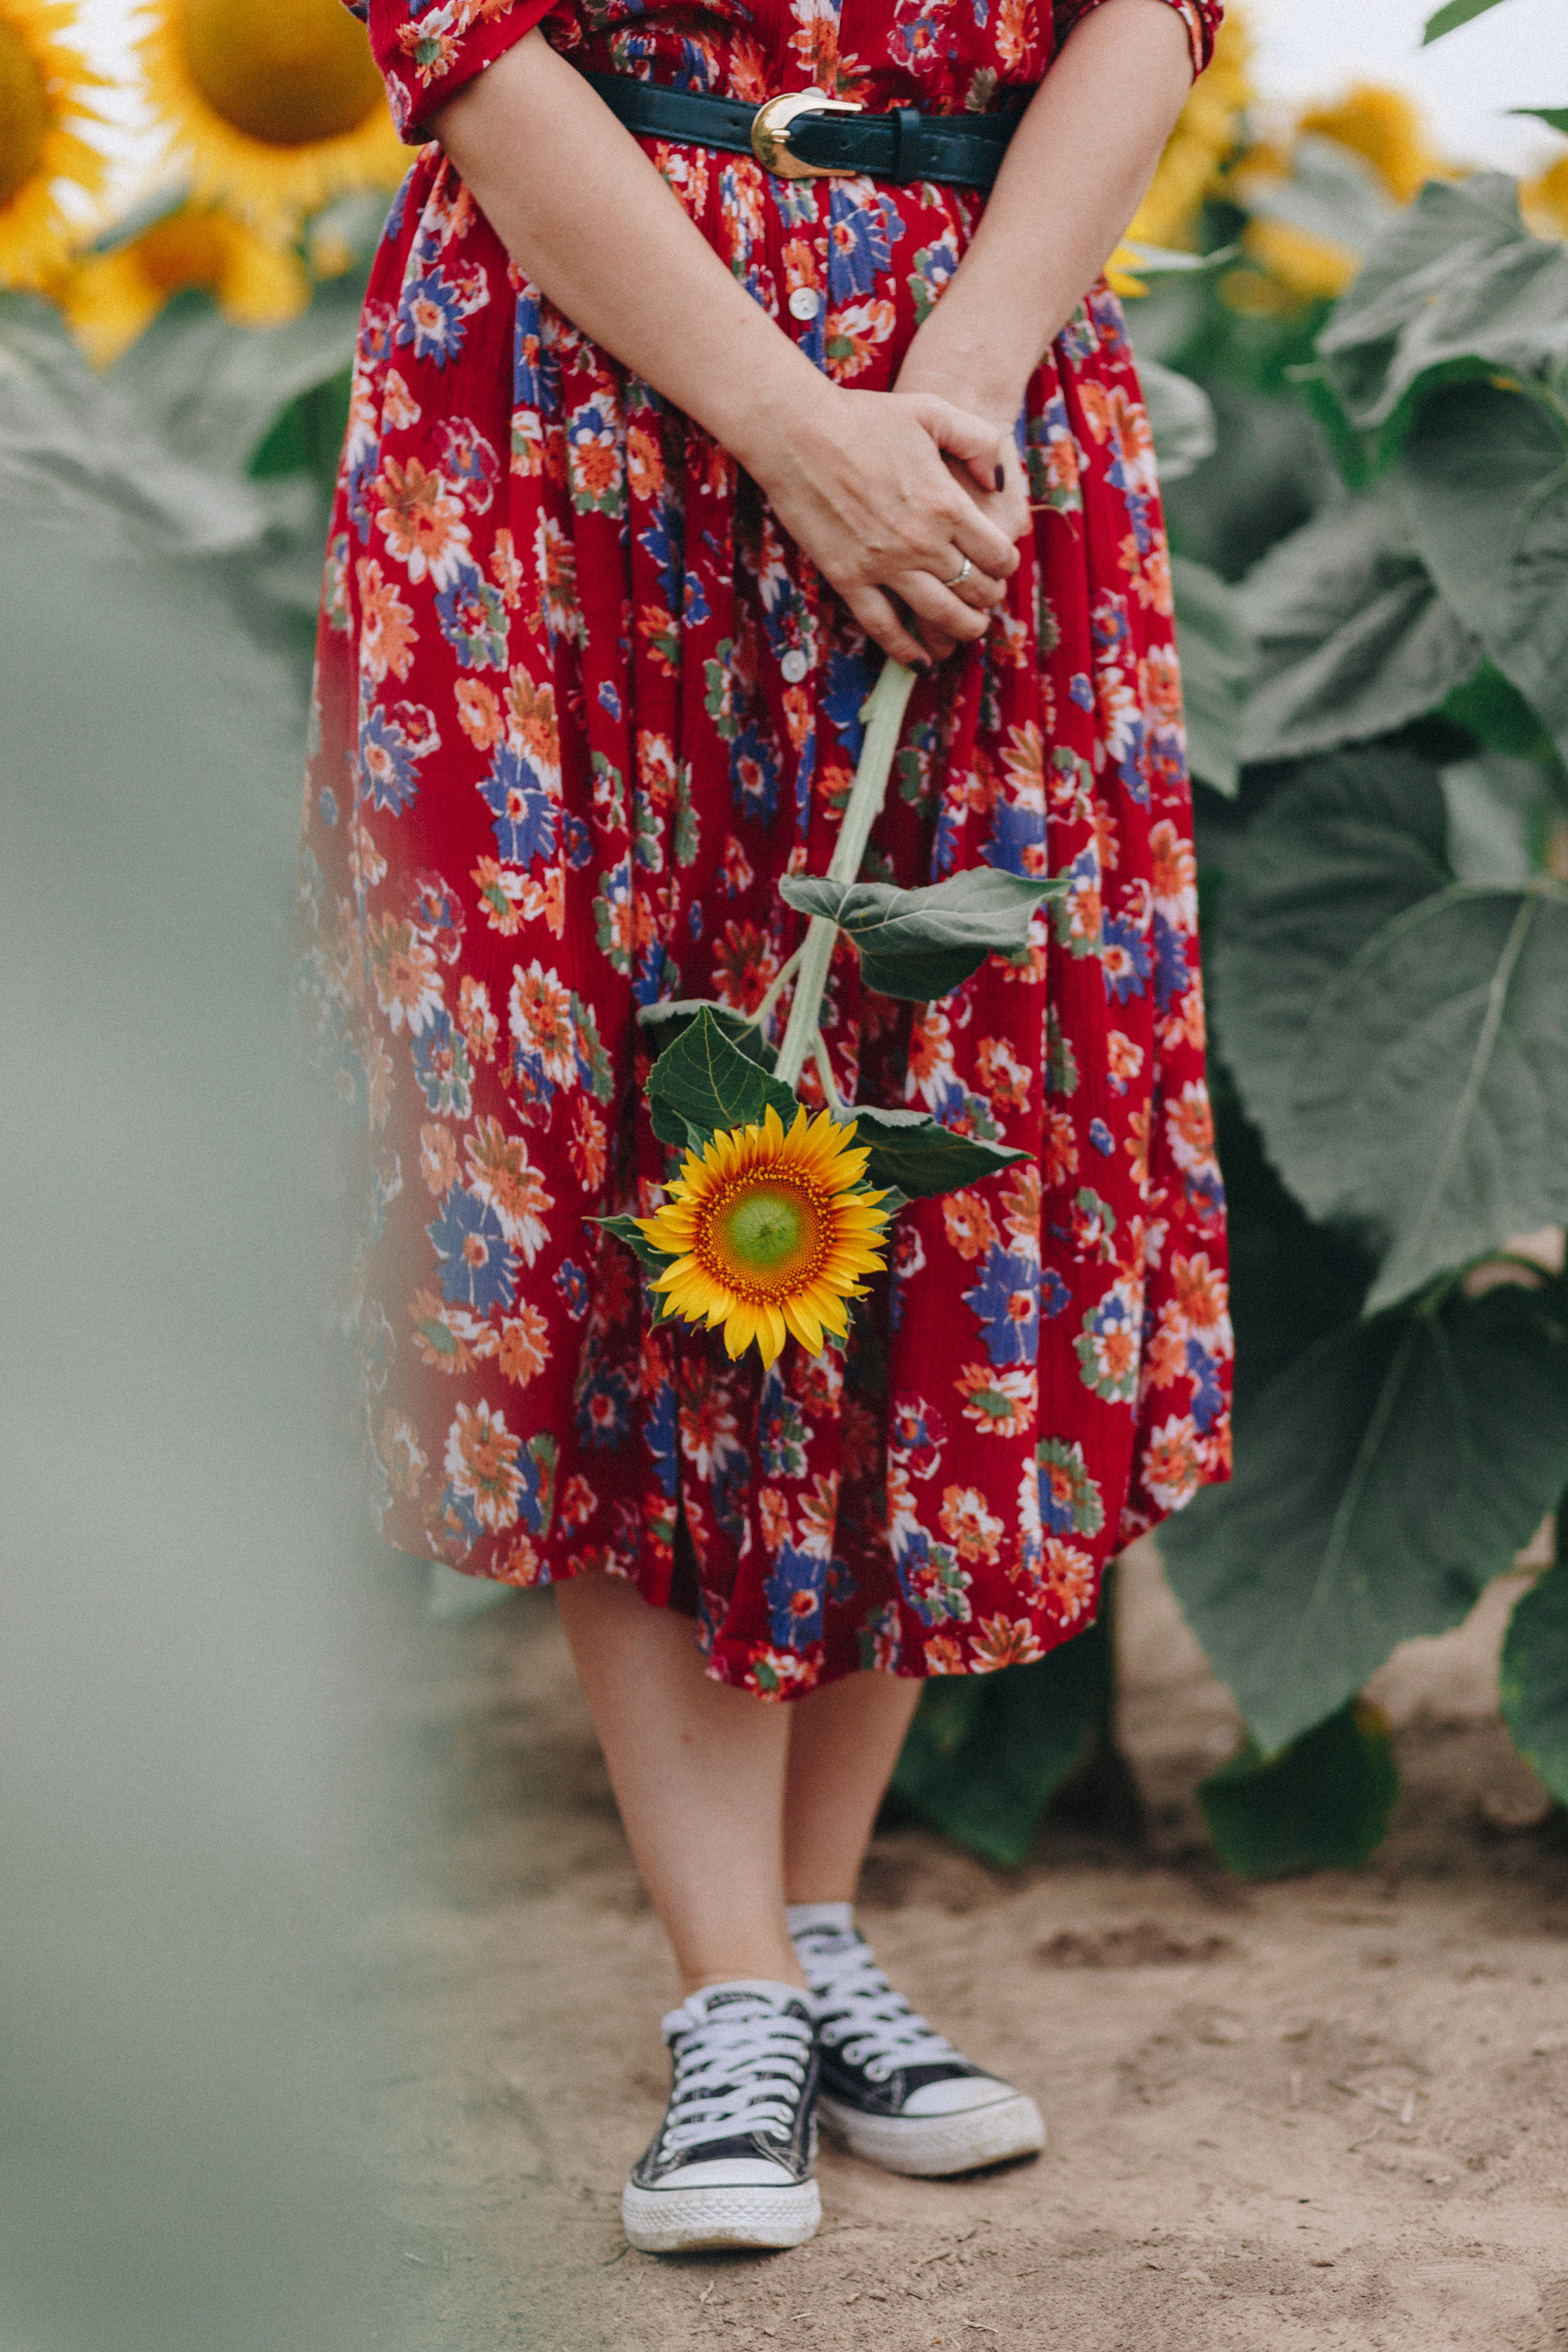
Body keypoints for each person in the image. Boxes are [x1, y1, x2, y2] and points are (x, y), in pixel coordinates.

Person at [304, 0, 1231, 2257]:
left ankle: (809, 1938)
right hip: (587, 395)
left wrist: (960, 382)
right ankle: (729, 1984)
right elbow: (473, 43)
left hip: (965, 378)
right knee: (637, 1128)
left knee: (922, 1118)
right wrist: (793, 428)